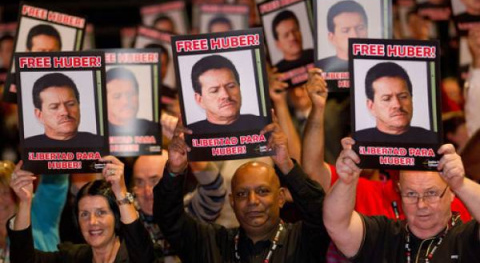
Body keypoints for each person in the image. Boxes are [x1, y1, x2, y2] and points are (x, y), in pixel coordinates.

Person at [153, 116, 330, 262]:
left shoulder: (303, 239)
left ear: (281, 197)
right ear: (232, 201)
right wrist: (175, 169)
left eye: (263, 191)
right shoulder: (213, 243)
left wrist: (286, 165)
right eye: (241, 194)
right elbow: (169, 218)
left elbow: (318, 209)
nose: (252, 201)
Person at [323, 138, 480, 262]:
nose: (421, 204)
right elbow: (337, 224)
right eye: (411, 194)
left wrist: (461, 184)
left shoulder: (466, 237)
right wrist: (346, 182)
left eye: (431, 193)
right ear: (399, 192)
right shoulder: (385, 235)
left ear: (451, 193)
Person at [8, 156, 155, 263]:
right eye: (84, 214)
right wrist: (25, 201)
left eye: (101, 212)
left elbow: (142, 250)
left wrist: (121, 193)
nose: (92, 221)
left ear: (116, 217)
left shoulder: (134, 255)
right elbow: (23, 259)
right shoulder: (73, 257)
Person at [132, 152, 227, 262]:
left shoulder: (187, 214)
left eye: (155, 181)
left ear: (171, 181)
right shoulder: (126, 218)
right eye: (139, 182)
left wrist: (189, 150)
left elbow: (215, 190)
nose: (147, 192)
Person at [355, 62, 437, 143]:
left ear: (411, 98)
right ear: (371, 106)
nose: (397, 105)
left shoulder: (433, 139)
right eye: (386, 99)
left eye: (403, 97)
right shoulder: (357, 141)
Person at [188, 54, 266, 134]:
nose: (226, 95)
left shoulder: (264, 126)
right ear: (200, 100)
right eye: (214, 91)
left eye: (231, 86)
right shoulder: (189, 134)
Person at [24, 72, 102, 148]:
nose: (65, 112)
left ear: (79, 105)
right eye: (54, 107)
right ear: (39, 115)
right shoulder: (26, 147)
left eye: (71, 104)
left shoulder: (100, 143)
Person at [106, 67, 160, 146]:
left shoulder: (155, 129)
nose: (126, 102)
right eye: (117, 96)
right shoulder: (96, 137)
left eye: (130, 94)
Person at [317, 0, 368, 73]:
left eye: (360, 28)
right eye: (345, 30)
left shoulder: (380, 62)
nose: (355, 35)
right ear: (332, 38)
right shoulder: (319, 69)